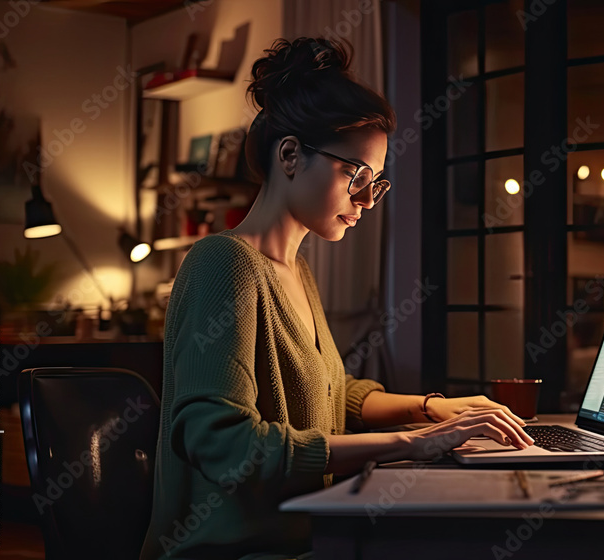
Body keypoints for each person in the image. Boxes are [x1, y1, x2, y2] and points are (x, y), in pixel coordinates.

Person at [138, 37, 534, 560]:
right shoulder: (223, 263)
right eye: (357, 175)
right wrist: (413, 443)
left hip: (310, 535)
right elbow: (225, 446)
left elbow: (331, 394)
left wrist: (435, 409)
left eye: (377, 181)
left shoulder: (295, 269)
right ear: (290, 155)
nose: (368, 199)